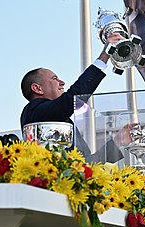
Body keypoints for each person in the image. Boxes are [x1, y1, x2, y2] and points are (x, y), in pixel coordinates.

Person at [20, 33, 130, 163]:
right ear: (37, 88)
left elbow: (87, 164)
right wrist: (104, 56)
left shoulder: (62, 119)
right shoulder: (34, 111)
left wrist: (117, 142)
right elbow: (73, 97)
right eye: (55, 79)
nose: (62, 82)